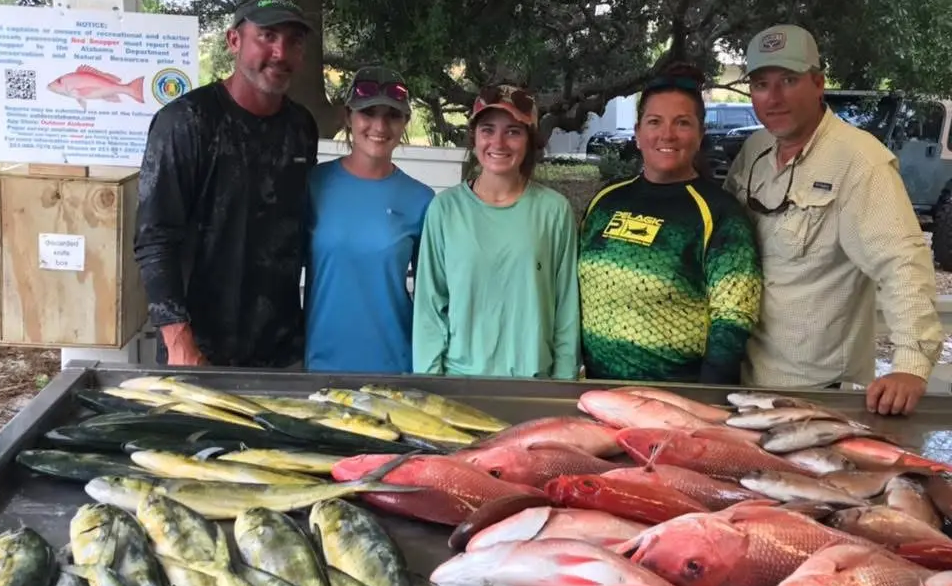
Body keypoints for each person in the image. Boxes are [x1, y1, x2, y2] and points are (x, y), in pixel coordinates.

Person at [724, 23, 943, 415]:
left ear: (818, 83)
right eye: (760, 84)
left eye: (788, 80)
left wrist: (911, 364)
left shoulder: (860, 161)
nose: (772, 98)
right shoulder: (754, 150)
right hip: (742, 377)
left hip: (815, 392)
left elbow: (902, 262)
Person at [134, 0, 319, 368]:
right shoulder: (186, 122)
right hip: (198, 353)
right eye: (267, 36)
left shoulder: (302, 127)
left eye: (293, 41)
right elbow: (155, 238)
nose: (281, 53)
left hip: (281, 354)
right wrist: (179, 341)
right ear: (234, 40)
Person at [579, 64, 762, 385]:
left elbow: (733, 320)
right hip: (600, 393)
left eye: (682, 123)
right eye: (654, 122)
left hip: (675, 401)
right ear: (637, 134)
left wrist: (706, 400)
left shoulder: (719, 215)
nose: (667, 134)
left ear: (700, 134)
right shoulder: (605, 201)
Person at [412, 84, 581, 379]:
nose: (498, 143)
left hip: (535, 383)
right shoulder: (445, 210)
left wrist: (563, 384)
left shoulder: (554, 211)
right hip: (460, 383)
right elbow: (430, 307)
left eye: (513, 131)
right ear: (474, 137)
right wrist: (431, 384)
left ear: (530, 140)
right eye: (487, 130)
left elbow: (566, 308)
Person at [303, 67, 434, 374]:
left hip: (396, 364)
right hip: (320, 363)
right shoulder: (312, 185)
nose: (379, 125)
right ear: (348, 117)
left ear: (405, 123)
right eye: (368, 113)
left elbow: (433, 300)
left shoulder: (421, 200)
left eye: (392, 115)